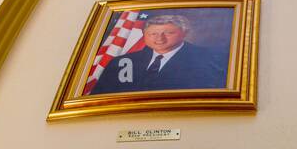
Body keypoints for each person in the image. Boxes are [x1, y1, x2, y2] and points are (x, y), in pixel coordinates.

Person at [90, 14, 226, 94]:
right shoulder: (121, 62)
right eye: (152, 34)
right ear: (144, 34)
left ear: (184, 34)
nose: (159, 38)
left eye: (168, 33)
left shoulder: (210, 59)